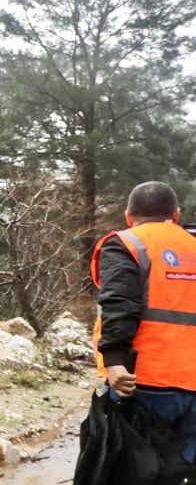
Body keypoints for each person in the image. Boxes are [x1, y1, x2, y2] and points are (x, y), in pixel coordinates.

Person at [91, 181, 196, 463]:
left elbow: (118, 304)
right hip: (193, 386)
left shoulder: (126, 244)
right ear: (176, 214)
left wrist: (113, 360)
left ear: (129, 216)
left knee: (131, 471)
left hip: (141, 383)